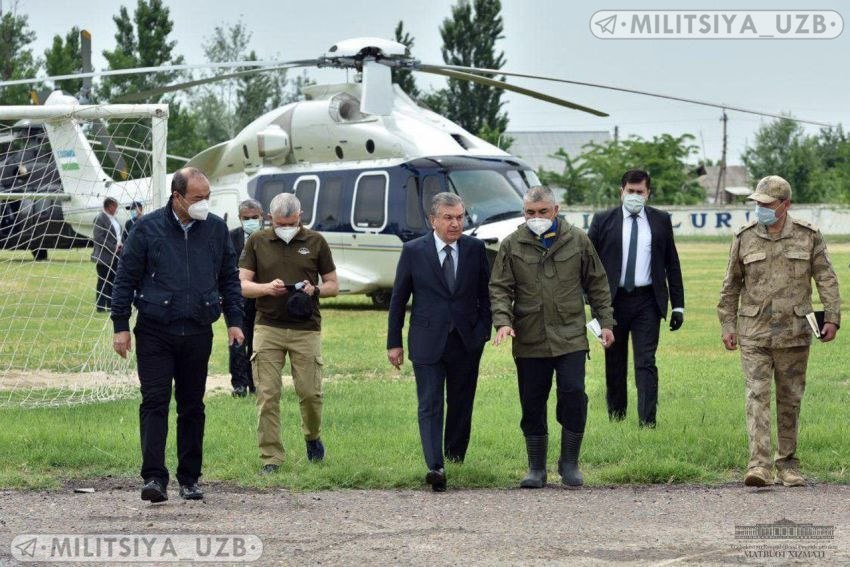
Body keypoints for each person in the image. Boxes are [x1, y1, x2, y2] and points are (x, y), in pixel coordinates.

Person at [111, 167, 244, 502]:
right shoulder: (147, 228)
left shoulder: (215, 230)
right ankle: (154, 478)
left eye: (207, 197)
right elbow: (125, 279)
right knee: (155, 401)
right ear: (177, 197)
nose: (204, 204)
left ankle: (190, 478)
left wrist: (235, 321)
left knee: (192, 405)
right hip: (156, 330)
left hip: (198, 330)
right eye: (198, 198)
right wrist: (120, 326)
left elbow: (230, 278)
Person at [718, 175, 840, 488]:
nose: (760, 208)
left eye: (767, 204)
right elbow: (731, 284)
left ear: (784, 205)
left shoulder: (808, 235)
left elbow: (826, 278)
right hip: (754, 331)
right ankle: (758, 466)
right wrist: (728, 324)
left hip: (795, 331)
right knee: (756, 396)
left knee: (790, 398)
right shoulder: (744, 237)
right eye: (757, 203)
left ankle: (788, 464)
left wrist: (833, 317)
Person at [490, 186, 615, 488]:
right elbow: (500, 288)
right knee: (532, 401)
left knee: (573, 394)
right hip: (530, 336)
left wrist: (606, 321)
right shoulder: (512, 245)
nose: (537, 218)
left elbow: (597, 283)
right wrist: (503, 321)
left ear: (556, 210)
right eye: (530, 213)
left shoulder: (578, 240)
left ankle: (569, 463)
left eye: (543, 211)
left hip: (570, 334)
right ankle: (536, 468)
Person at [387, 192, 492, 492]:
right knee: (430, 404)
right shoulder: (413, 251)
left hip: (466, 340)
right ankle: (436, 466)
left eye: (460, 217)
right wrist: (394, 342)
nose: (456, 223)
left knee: (461, 403)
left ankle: (455, 457)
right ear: (433, 220)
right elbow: (398, 299)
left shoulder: (474, 249)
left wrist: (483, 331)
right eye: (448, 217)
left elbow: (485, 295)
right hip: (426, 339)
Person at [239, 192, 338, 473]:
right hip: (267, 326)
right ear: (270, 219)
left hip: (305, 328)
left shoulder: (316, 241)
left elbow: (333, 284)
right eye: (281, 223)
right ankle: (271, 458)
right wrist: (267, 288)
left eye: (291, 223)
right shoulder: (257, 241)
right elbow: (242, 284)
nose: (286, 228)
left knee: (310, 393)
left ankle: (312, 436)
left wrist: (314, 289)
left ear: (300, 216)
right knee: (267, 394)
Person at [587, 169, 685, 428]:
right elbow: (586, 264)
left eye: (640, 192)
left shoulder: (661, 220)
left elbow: (671, 263)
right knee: (615, 363)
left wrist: (679, 306)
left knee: (646, 362)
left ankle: (647, 422)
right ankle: (616, 418)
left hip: (647, 302)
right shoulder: (602, 220)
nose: (634, 196)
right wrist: (590, 302)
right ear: (621, 191)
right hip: (612, 303)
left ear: (648, 193)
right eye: (630, 191)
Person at [229, 198, 264, 397]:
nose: (250, 221)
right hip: (236, 299)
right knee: (237, 342)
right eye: (246, 218)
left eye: (254, 217)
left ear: (262, 217)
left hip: (260, 297)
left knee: (256, 342)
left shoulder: (268, 238)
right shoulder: (230, 237)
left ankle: (254, 382)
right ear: (240, 218)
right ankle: (239, 384)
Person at [92, 197, 123, 312]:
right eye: (115, 206)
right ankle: (100, 306)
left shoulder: (114, 219)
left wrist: (120, 245)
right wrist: (113, 247)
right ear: (109, 206)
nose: (117, 209)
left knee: (113, 280)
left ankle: (110, 305)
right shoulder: (100, 218)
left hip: (116, 255)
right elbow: (99, 238)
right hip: (104, 256)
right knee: (103, 281)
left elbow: (118, 235)